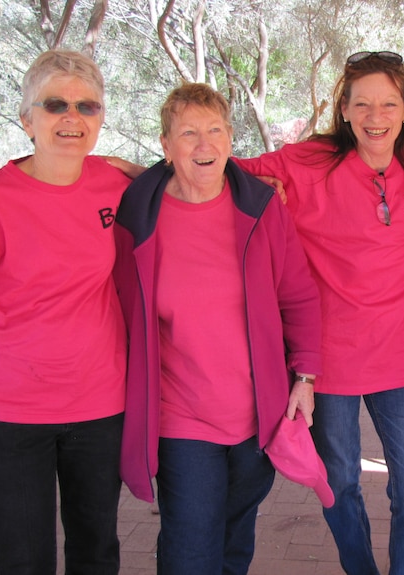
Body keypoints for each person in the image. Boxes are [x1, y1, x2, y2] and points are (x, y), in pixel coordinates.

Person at [234, 51, 404, 575]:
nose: (375, 116)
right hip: (326, 366)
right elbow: (214, 167)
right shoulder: (306, 162)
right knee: (339, 485)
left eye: (387, 104)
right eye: (362, 104)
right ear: (345, 111)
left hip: (402, 363)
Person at [0, 50, 130, 574]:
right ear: (27, 119)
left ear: (101, 119)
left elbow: (185, 174)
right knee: (23, 558)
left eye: (87, 106)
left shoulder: (115, 183)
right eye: (56, 104)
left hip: (99, 405)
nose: (73, 117)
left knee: (97, 550)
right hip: (9, 412)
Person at [113, 82, 323, 575]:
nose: (204, 146)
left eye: (214, 131)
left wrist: (306, 377)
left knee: (234, 539)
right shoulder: (137, 212)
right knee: (191, 546)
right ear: (166, 146)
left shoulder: (261, 207)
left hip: (257, 414)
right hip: (181, 414)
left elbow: (298, 295)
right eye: (188, 134)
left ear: (231, 138)